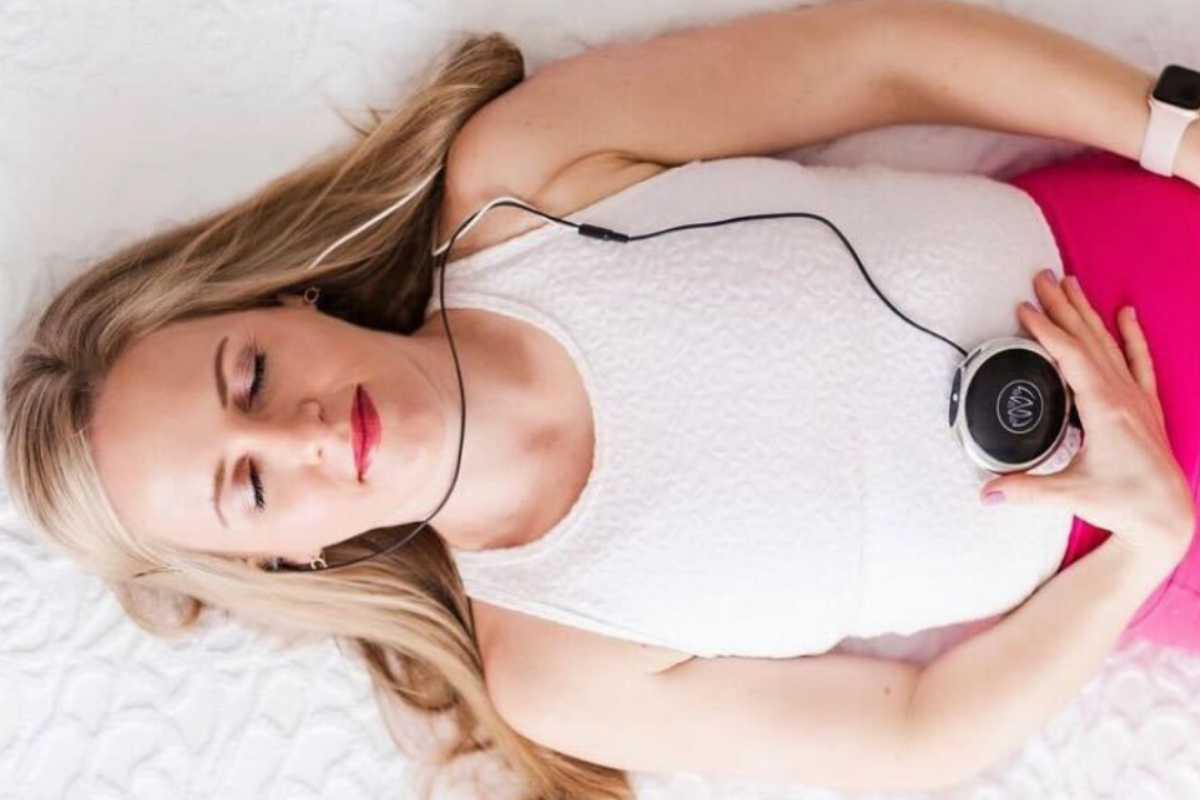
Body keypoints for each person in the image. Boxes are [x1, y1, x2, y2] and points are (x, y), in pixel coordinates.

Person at [3, 0, 1197, 794]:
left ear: (285, 305)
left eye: (249, 375)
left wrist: (1172, 128)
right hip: (1153, 538)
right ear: (288, 559)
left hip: (1157, 238)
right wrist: (1148, 544)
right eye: (249, 482)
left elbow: (872, 57)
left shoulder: (526, 184)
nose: (302, 433)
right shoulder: (555, 664)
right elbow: (912, 731)